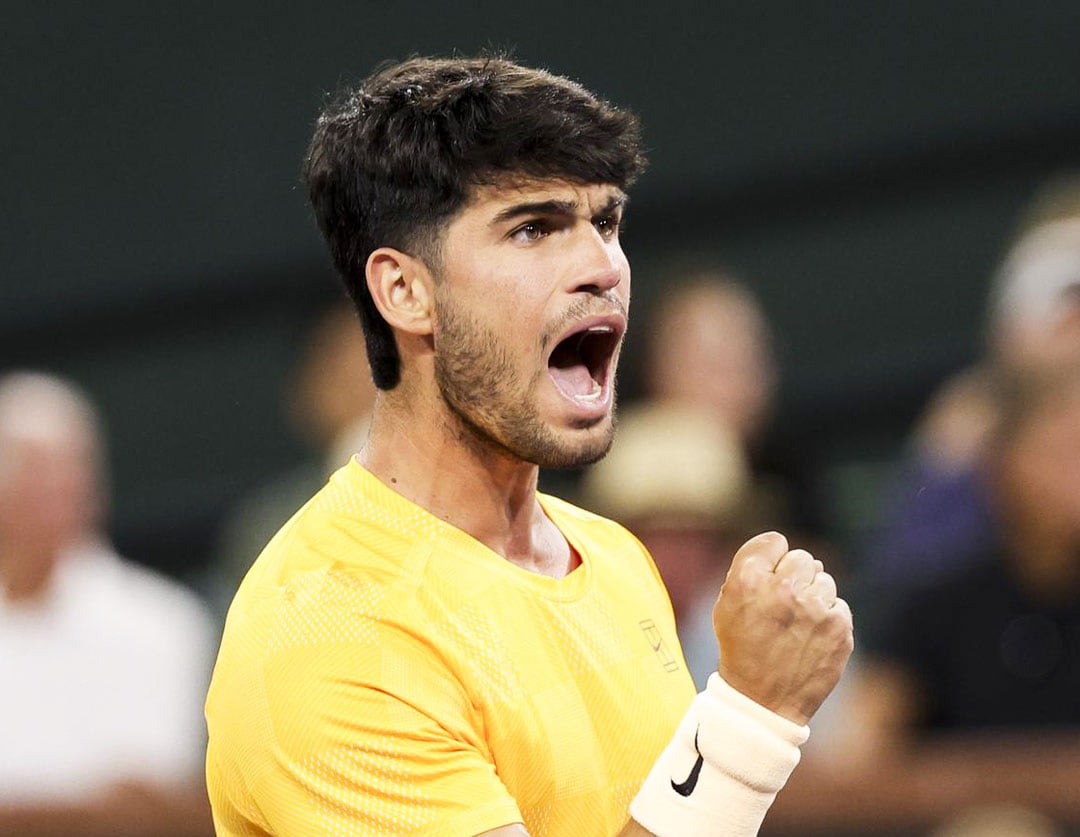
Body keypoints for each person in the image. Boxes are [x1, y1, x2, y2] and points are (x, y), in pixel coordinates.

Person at [205, 55, 853, 837]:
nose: (602, 267)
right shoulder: (330, 632)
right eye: (534, 228)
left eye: (606, 222)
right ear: (404, 291)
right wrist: (750, 720)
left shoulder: (613, 559)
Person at [0, 372, 215, 837]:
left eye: (68, 468)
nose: (54, 489)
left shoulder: (164, 623)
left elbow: (151, 806)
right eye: (28, 469)